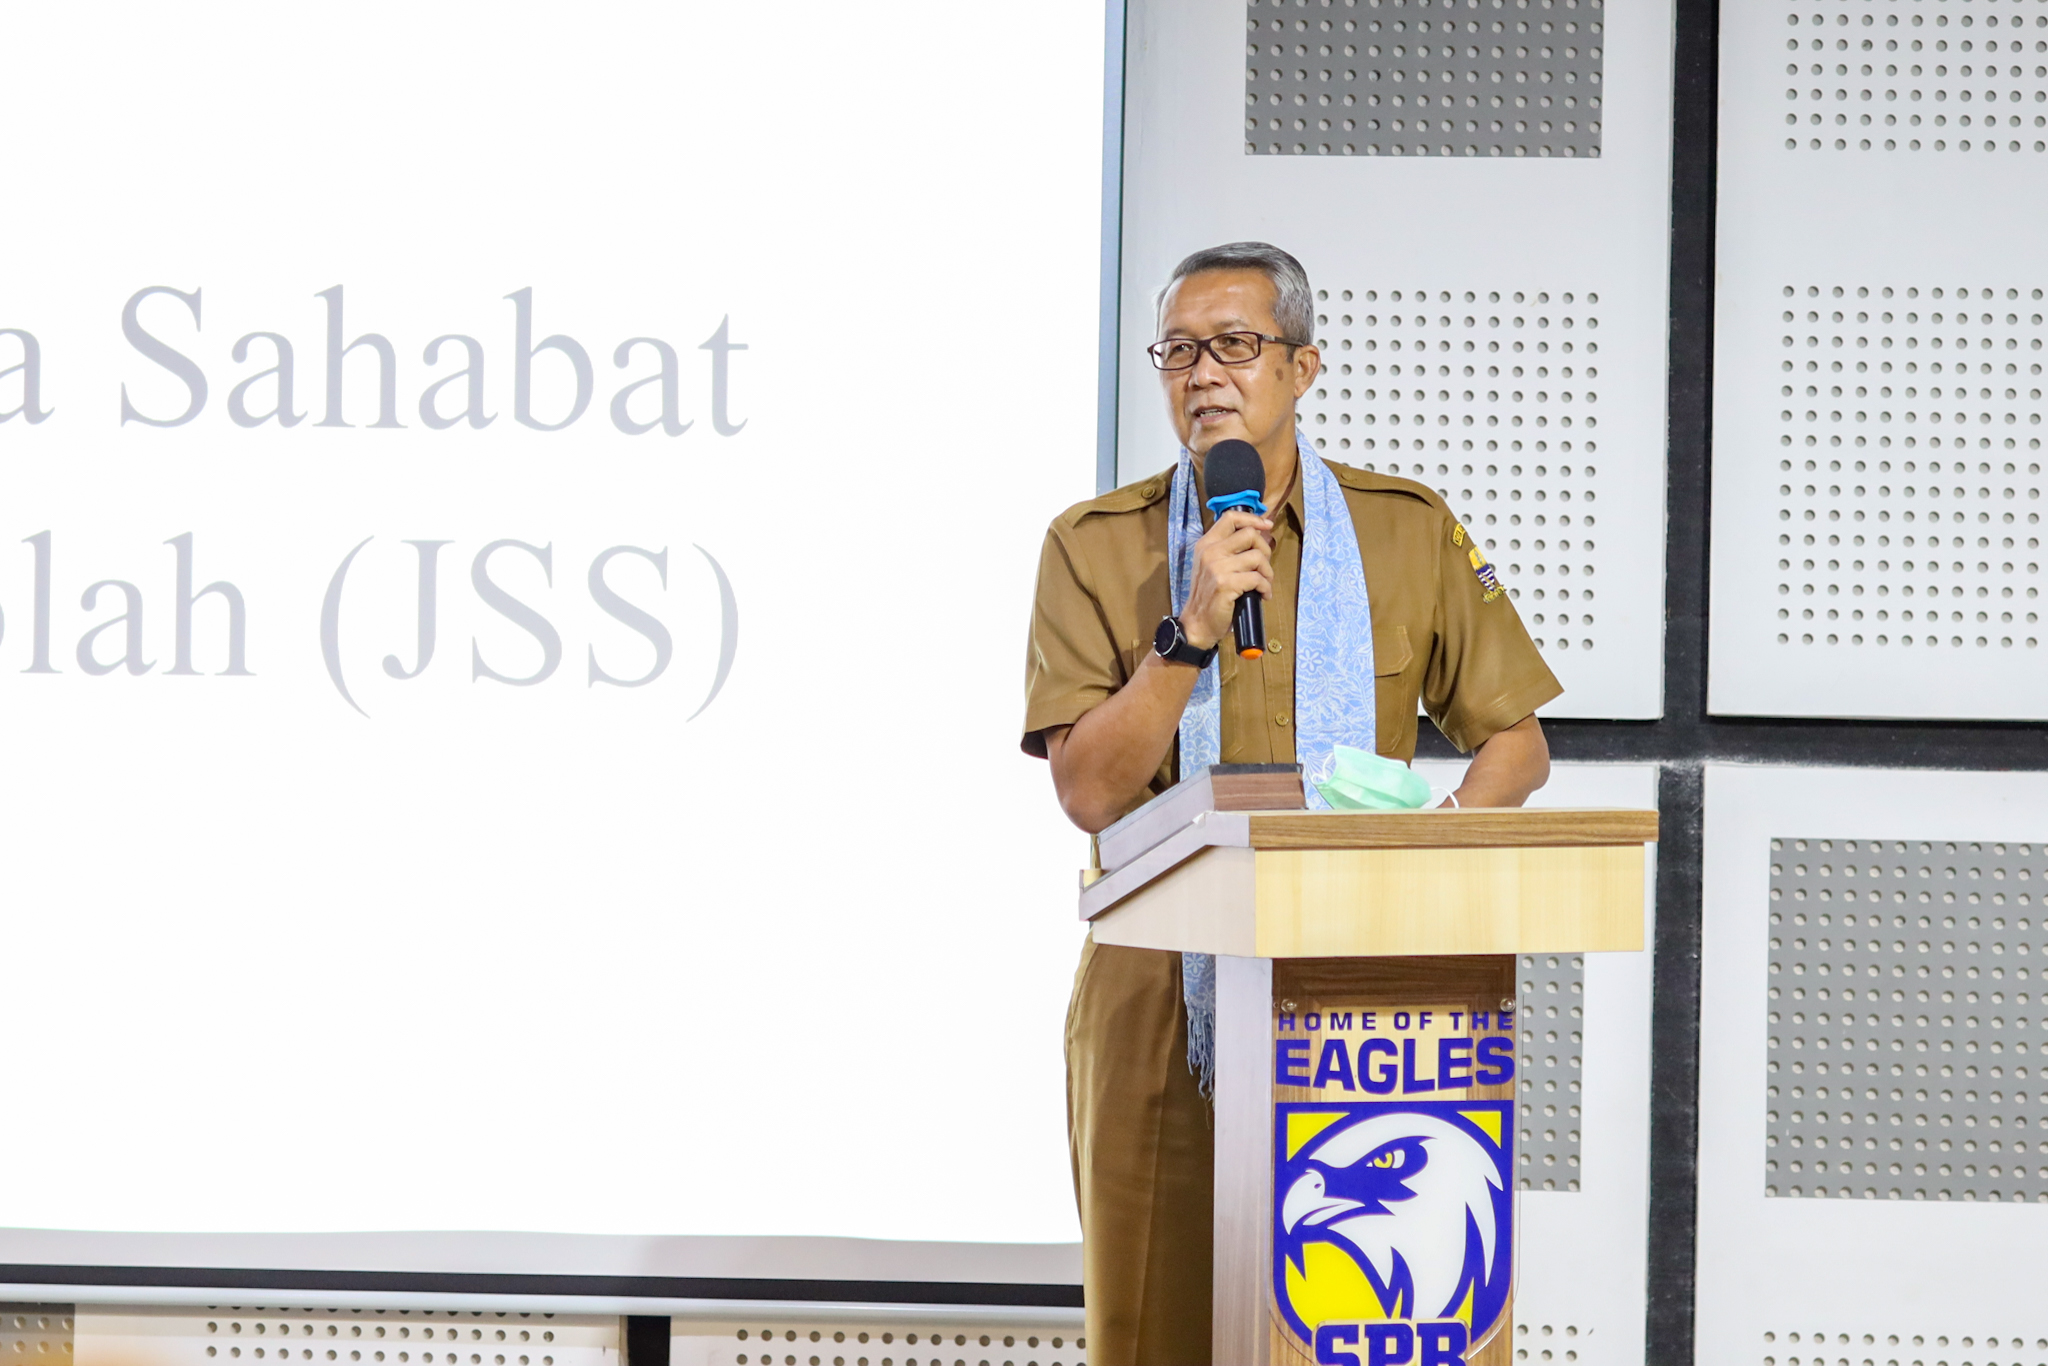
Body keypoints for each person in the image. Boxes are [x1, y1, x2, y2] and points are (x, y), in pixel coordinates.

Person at [1019, 242, 1562, 1366]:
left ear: (1302, 366)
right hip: (1162, 996)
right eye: (1178, 351)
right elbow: (1089, 791)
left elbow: (1516, 744)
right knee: (1154, 1327)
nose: (1202, 375)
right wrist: (1190, 632)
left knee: (1363, 1322)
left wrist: (1432, 856)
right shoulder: (1094, 545)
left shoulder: (1405, 528)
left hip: (1370, 995)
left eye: (1234, 345)